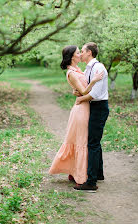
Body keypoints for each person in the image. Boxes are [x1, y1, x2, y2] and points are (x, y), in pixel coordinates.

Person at [49, 45, 103, 185]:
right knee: (81, 141)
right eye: (78, 52)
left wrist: (76, 91)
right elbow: (84, 92)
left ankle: (74, 172)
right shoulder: (71, 73)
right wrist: (95, 80)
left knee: (80, 140)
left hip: (84, 107)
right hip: (81, 110)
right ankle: (79, 176)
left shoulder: (77, 70)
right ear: (72, 56)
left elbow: (79, 90)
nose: (80, 54)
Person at [73, 42, 109, 192]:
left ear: (89, 53)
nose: (80, 54)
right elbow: (88, 89)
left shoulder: (98, 68)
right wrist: (78, 93)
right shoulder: (89, 68)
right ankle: (98, 173)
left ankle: (91, 182)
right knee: (95, 141)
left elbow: (95, 94)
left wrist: (80, 99)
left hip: (99, 107)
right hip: (94, 107)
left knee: (92, 144)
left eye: (82, 51)